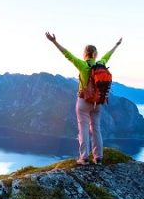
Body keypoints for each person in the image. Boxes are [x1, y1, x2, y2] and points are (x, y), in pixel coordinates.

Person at [46, 32, 122, 164]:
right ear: (95, 54)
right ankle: (98, 157)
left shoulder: (82, 65)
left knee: (84, 130)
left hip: (83, 101)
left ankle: (84, 157)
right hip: (98, 102)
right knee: (96, 129)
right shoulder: (101, 63)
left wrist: (54, 42)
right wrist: (116, 45)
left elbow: (67, 54)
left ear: (85, 54)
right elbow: (108, 55)